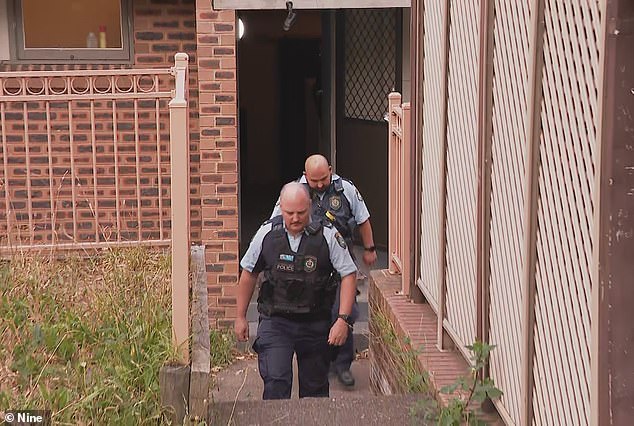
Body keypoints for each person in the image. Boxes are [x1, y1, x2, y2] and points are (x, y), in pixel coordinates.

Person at [235, 182, 357, 399]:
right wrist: (240, 316)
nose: (295, 218)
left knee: (315, 389)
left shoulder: (328, 235)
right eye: (289, 213)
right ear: (281, 208)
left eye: (301, 212)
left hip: (315, 321)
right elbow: (248, 273)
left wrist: (342, 320)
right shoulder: (267, 233)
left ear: (309, 206)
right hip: (276, 320)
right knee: (276, 381)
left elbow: (348, 274)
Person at [271, 154, 377, 387]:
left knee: (344, 313)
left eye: (323, 179)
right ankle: (322, 363)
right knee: (316, 315)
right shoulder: (294, 192)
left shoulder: (346, 189)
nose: (319, 185)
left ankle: (343, 365)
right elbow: (275, 226)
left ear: (330, 170)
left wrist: (369, 248)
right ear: (305, 175)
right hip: (307, 267)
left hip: (341, 263)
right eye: (314, 180)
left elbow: (363, 219)